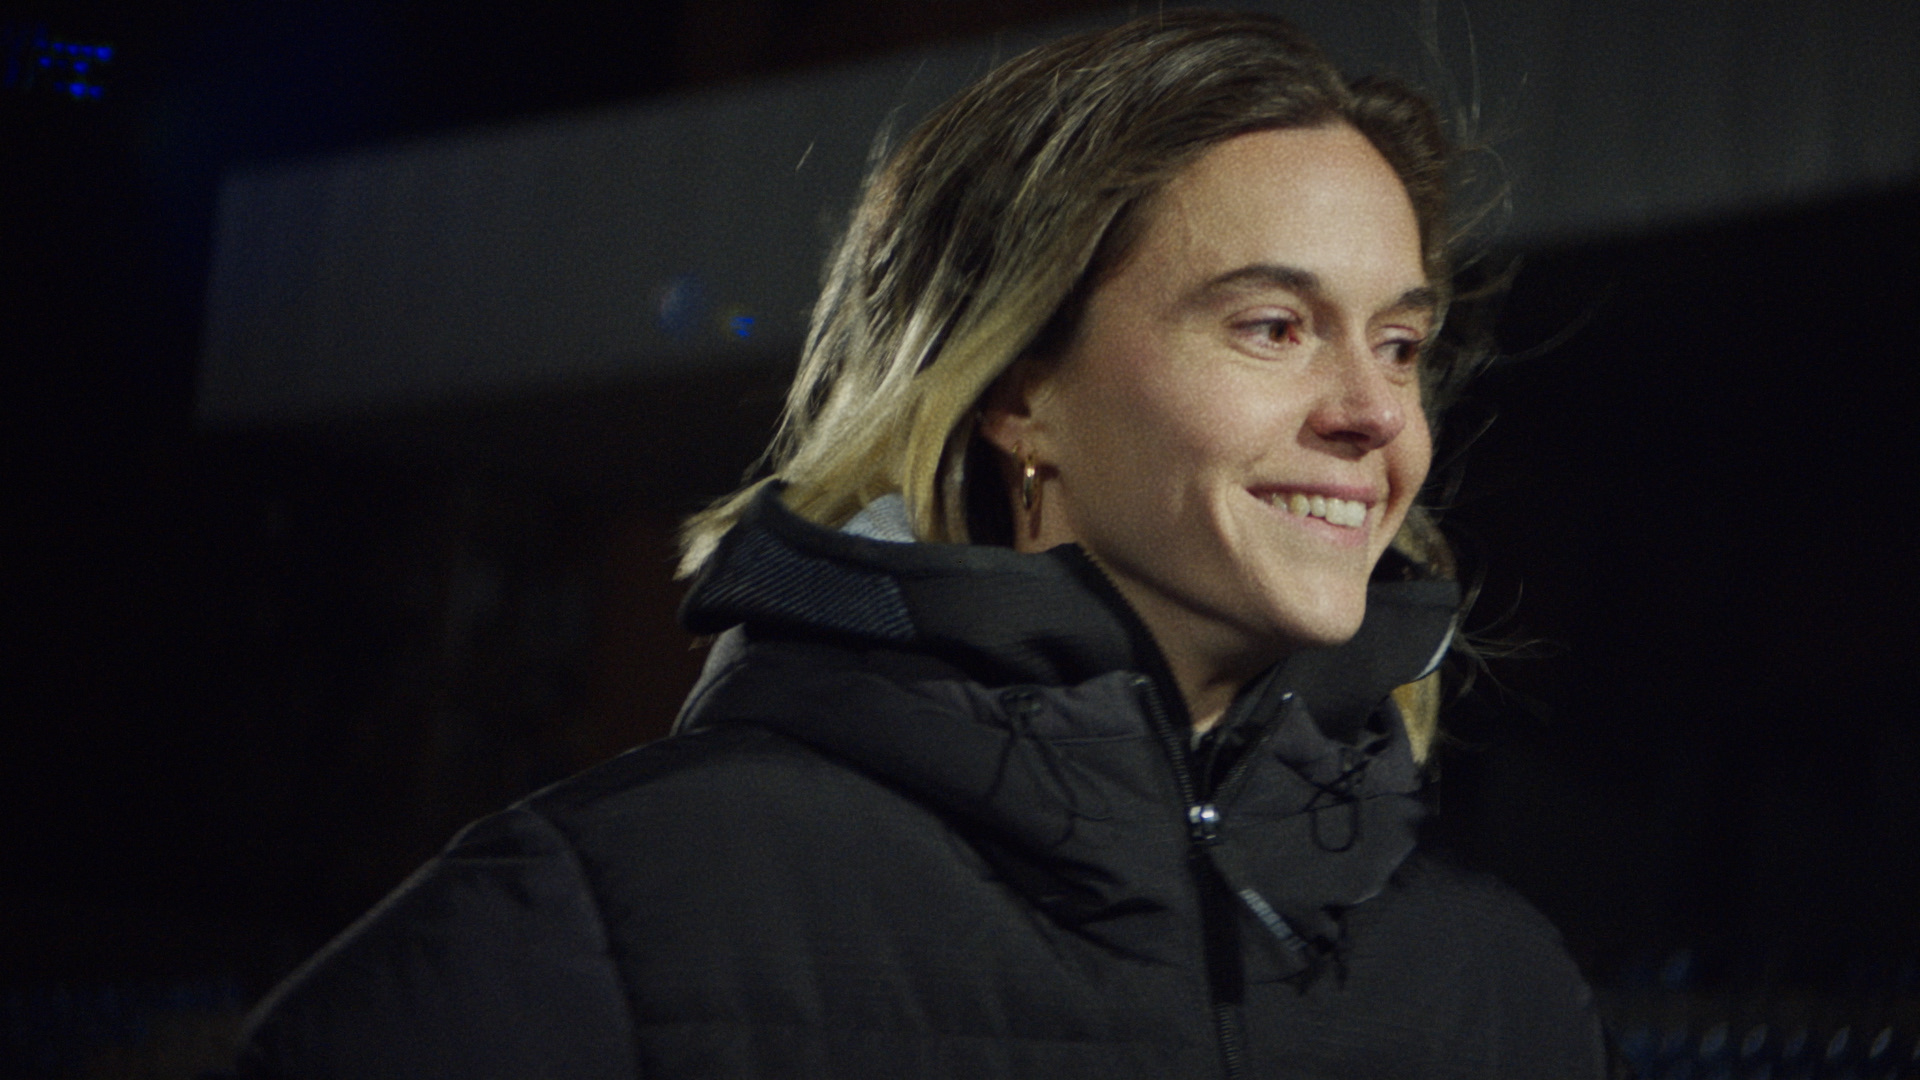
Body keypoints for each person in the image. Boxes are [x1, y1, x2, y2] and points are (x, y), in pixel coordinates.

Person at [235, 10, 1613, 1078]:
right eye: (1273, 326)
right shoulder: (601, 921)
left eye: (1400, 343)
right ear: (1020, 390)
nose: (1375, 413)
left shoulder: (1505, 997)